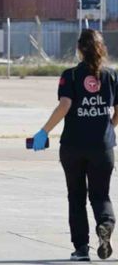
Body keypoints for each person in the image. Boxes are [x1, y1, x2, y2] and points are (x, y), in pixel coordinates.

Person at [32, 29, 116, 261]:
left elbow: (65, 105)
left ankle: (81, 249)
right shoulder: (111, 76)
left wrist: (44, 131)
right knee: (101, 196)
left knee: (76, 197)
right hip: (102, 147)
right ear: (102, 49)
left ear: (79, 49)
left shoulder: (70, 76)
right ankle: (105, 225)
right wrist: (109, 126)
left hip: (73, 147)